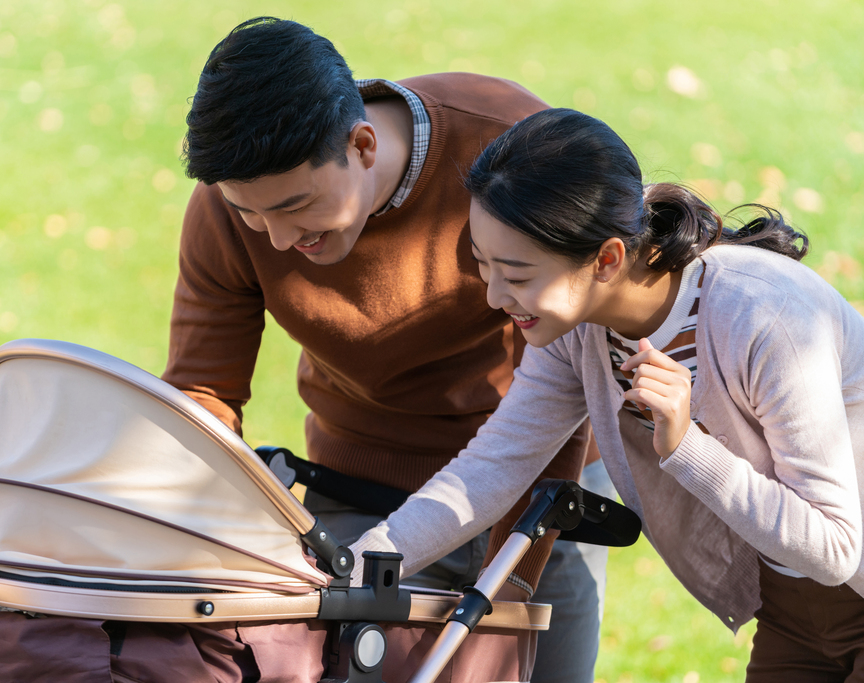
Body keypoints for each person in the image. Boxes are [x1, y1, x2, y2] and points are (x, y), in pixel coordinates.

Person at [351, 107, 864, 681]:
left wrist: (688, 447)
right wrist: (353, 567)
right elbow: (492, 468)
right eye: (483, 265)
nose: (495, 296)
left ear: (607, 259)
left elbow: (836, 545)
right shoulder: (577, 331)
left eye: (517, 275)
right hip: (795, 606)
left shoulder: (768, 318)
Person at [163, 16, 598, 681]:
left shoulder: (511, 153)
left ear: (362, 145)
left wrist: (506, 586)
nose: (276, 240)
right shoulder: (231, 203)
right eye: (252, 214)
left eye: (296, 206)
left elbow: (569, 384)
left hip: (533, 481)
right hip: (354, 483)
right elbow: (205, 389)